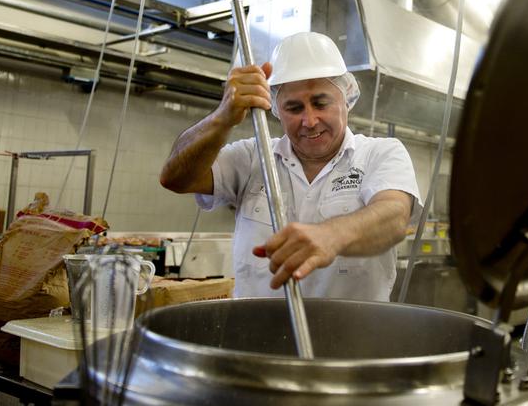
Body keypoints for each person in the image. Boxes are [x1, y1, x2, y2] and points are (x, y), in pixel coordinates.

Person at [160, 31, 421, 301]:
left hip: (353, 337)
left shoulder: (380, 153)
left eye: (321, 103)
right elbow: (176, 178)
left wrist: (331, 235)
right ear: (275, 109)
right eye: (294, 108)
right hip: (256, 337)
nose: (309, 121)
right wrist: (222, 117)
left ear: (347, 98)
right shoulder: (253, 156)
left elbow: (394, 216)